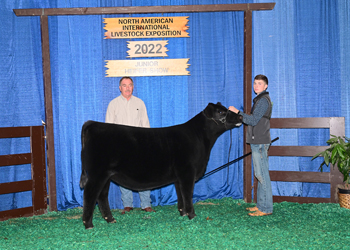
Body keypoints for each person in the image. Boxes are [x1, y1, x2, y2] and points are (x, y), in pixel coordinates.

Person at [105, 76, 155, 213]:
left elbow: (145, 125)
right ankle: (127, 204)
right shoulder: (113, 104)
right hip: (121, 146)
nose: (127, 88)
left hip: (140, 145)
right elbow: (109, 128)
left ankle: (146, 204)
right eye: (124, 85)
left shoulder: (140, 103)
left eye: (130, 85)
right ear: (120, 88)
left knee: (144, 173)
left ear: (133, 87)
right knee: (123, 174)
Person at [229, 74, 273, 216]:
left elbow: (253, 120)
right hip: (257, 141)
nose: (256, 86)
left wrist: (238, 112)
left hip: (260, 141)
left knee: (262, 175)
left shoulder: (263, 101)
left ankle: (265, 208)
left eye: (259, 83)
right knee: (259, 174)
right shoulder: (260, 100)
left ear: (265, 86)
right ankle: (261, 205)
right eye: (255, 83)